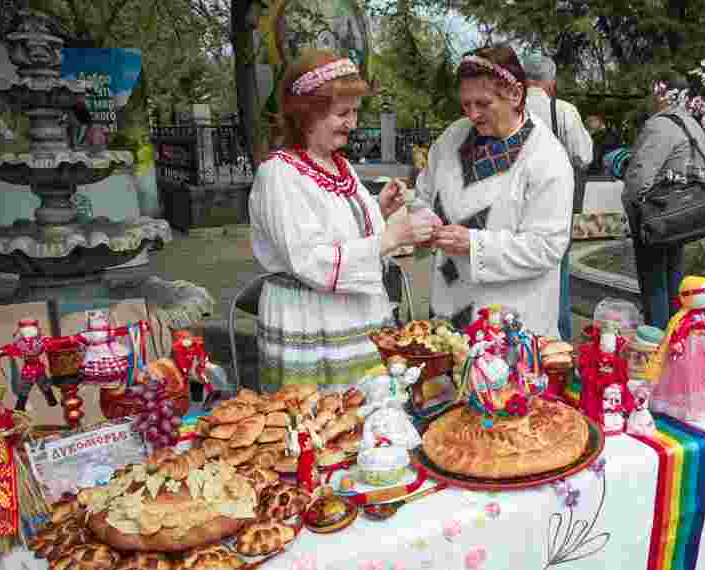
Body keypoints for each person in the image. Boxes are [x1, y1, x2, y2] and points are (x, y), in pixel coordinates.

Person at [248, 49, 437, 393]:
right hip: (311, 323)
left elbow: (338, 232)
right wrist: (389, 239)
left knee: (372, 421)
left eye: (355, 112)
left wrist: (379, 210)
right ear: (306, 115)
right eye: (342, 113)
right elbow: (309, 260)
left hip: (356, 315)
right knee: (322, 428)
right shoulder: (278, 174)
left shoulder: (339, 165)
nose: (352, 123)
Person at [417, 44, 574, 339]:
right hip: (447, 313)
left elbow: (547, 247)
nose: (472, 115)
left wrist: (474, 245)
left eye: (482, 103)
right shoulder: (453, 137)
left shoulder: (547, 158)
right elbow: (423, 195)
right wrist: (421, 219)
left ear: (515, 95)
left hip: (511, 325)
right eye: (465, 105)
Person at [622, 74, 705, 329]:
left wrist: (631, 210)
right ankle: (675, 338)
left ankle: (657, 343)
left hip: (657, 215)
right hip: (683, 214)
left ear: (662, 94)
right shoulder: (693, 124)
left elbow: (638, 178)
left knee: (654, 284)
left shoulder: (660, 125)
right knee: (673, 279)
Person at [522, 52, 592, 342]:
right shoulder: (562, 111)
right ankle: (557, 341)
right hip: (554, 207)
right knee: (558, 273)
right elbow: (584, 155)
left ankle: (520, 335)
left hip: (515, 205)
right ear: (550, 82)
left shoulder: (507, 108)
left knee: (520, 269)